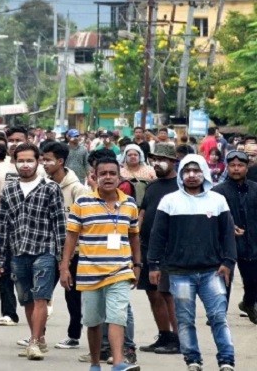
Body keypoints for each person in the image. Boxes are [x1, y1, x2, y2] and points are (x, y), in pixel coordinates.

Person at [148, 154, 236, 371]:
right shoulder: (170, 201)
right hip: (180, 273)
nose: (192, 175)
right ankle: (193, 360)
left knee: (218, 317)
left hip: (212, 271)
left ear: (205, 173)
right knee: (185, 319)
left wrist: (228, 262)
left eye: (197, 171)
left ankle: (226, 360)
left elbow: (227, 235)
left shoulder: (217, 200)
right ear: (181, 174)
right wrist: (153, 265)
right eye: (187, 171)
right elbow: (158, 235)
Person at [60, 157, 141, 371]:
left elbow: (134, 236)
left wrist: (138, 264)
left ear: (119, 176)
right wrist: (65, 266)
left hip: (120, 270)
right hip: (89, 271)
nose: (108, 177)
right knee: (93, 321)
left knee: (117, 316)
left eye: (112, 173)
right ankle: (95, 363)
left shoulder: (129, 204)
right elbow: (71, 237)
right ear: (95, 177)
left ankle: (118, 363)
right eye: (103, 173)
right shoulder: (83, 204)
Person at [0, 142, 66, 361]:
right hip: (17, 252)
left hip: (44, 250)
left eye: (30, 160)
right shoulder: (10, 189)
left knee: (41, 297)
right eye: (21, 161)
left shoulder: (50, 188)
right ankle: (39, 337)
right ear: (14, 162)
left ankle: (33, 342)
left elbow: (60, 225)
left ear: (38, 162)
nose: (25, 165)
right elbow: (3, 224)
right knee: (26, 299)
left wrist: (63, 259)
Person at [0, 126, 45, 326]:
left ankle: (40, 309)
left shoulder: (39, 168)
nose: (14, 143)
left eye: (18, 139)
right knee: (3, 271)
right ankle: (9, 313)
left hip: (33, 233)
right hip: (7, 228)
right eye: (11, 140)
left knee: (32, 277)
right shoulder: (0, 168)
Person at [40, 141, 90, 350]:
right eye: (42, 159)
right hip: (47, 249)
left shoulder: (79, 190)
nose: (44, 163)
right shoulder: (42, 184)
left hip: (74, 252)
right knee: (40, 294)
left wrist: (69, 256)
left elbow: (84, 224)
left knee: (73, 296)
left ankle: (74, 335)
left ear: (60, 161)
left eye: (48, 159)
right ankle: (37, 334)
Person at [136, 143, 180, 355]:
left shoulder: (180, 186)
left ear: (173, 162)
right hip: (147, 248)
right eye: (154, 158)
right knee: (152, 293)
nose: (157, 162)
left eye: (162, 158)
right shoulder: (152, 186)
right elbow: (142, 213)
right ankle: (164, 335)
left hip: (169, 249)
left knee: (168, 294)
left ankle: (180, 338)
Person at [213, 150, 257, 325]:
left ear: (247, 168)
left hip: (252, 243)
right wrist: (228, 228)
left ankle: (248, 304)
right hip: (226, 245)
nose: (236, 169)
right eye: (232, 165)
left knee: (253, 282)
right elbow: (211, 218)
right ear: (227, 167)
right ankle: (218, 314)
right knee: (224, 281)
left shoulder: (255, 189)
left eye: (240, 165)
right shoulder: (217, 192)